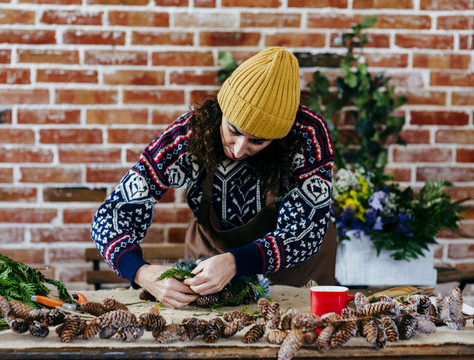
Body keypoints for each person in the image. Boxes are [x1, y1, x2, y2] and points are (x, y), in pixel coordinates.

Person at [91, 47, 336, 309]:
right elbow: (113, 214)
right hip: (209, 261)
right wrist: (140, 272)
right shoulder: (187, 135)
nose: (240, 149)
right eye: (234, 130)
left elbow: (304, 230)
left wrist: (236, 262)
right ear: (222, 109)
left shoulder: (308, 136)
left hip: (295, 273)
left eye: (258, 141)